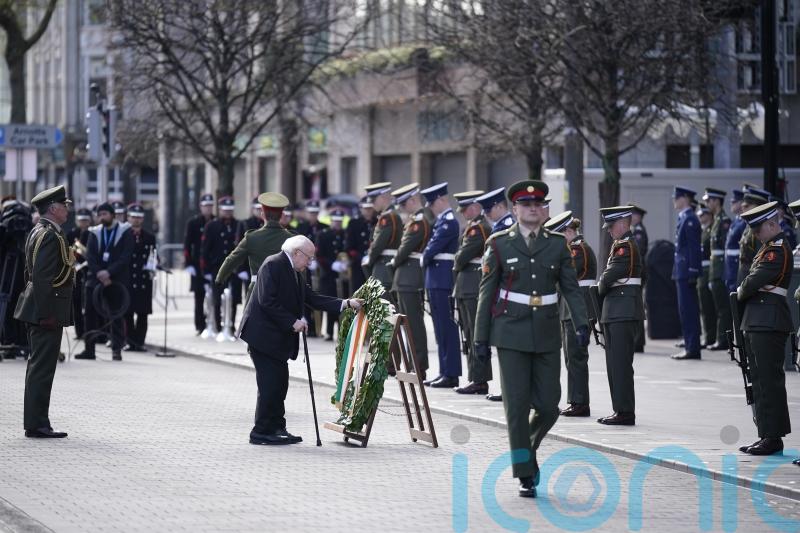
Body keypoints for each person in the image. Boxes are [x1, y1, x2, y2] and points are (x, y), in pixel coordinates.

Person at [474, 180, 589, 498]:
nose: (533, 209)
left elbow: (570, 287)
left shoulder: (556, 245)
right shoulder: (499, 244)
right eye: (526, 205)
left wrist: (582, 323)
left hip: (548, 333)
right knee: (516, 407)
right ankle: (525, 472)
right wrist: (479, 340)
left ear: (543, 210)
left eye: (538, 204)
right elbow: (487, 295)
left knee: (550, 406)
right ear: (515, 209)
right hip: (510, 333)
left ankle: (528, 451)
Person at [238, 235, 364, 445]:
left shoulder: (294, 271)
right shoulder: (273, 264)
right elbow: (266, 301)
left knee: (280, 384)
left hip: (275, 339)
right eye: (309, 258)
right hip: (263, 337)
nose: (310, 262)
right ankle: (261, 432)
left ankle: (277, 427)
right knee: (270, 385)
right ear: (296, 253)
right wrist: (292, 322)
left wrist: (346, 303)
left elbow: (312, 298)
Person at [13, 185, 74, 438]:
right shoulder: (49, 235)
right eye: (64, 205)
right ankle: (37, 424)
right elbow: (41, 277)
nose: (67, 209)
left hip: (38, 308)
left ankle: (37, 420)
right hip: (45, 311)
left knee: (38, 366)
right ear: (53, 208)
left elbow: (31, 272)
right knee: (42, 368)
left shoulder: (39, 231)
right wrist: (46, 312)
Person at [736, 201, 793, 456]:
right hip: (758, 319)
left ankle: (773, 436)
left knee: (769, 381)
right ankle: (766, 434)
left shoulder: (777, 251)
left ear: (772, 224)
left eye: (759, 230)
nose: (756, 235)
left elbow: (750, 283)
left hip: (768, 320)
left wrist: (744, 287)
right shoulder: (767, 249)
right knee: (759, 380)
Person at [545, 211, 596, 417]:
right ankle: (576, 400)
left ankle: (580, 402)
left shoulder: (578, 250)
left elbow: (565, 276)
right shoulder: (573, 249)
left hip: (577, 311)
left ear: (568, 231)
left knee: (576, 357)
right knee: (571, 357)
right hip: (569, 310)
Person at [596, 205, 643, 425]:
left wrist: (601, 285)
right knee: (614, 364)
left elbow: (608, 278)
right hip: (616, 312)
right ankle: (620, 409)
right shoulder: (620, 245)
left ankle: (625, 411)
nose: (609, 230)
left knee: (620, 365)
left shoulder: (626, 247)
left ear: (624, 223)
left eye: (612, 226)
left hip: (622, 312)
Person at [76, 202, 134, 361]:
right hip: (95, 279)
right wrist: (100, 273)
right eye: (99, 215)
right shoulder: (94, 233)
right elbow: (90, 256)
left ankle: (116, 349)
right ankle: (89, 350)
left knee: (115, 315)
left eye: (105, 214)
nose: (101, 217)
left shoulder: (125, 231)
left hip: (116, 279)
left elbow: (126, 256)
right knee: (90, 314)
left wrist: (109, 272)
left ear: (113, 215)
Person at [215, 193, 293, 304]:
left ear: (262, 214)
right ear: (281, 215)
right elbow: (301, 267)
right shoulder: (292, 239)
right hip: (283, 293)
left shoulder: (251, 238)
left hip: (257, 292)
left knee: (250, 321)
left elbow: (232, 259)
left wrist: (220, 279)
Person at [389, 184, 433, 377]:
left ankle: (419, 364)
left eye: (404, 204)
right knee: (408, 324)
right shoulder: (415, 220)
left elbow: (404, 250)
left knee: (414, 324)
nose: (402, 208)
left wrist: (393, 260)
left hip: (410, 277)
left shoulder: (420, 222)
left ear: (413, 200)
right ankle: (413, 363)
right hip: (405, 277)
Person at [420, 183, 461, 388]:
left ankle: (451, 373)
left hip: (443, 279)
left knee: (447, 328)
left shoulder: (449, 221)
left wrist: (424, 258)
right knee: (439, 329)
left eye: (433, 202)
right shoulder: (441, 221)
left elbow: (432, 249)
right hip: (436, 279)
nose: (431, 207)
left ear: (443, 200)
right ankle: (444, 370)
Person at [452, 190, 492, 396]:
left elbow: (461, 257)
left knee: (475, 333)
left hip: (472, 285)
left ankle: (480, 378)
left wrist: (457, 259)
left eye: (466, 209)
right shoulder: (472, 227)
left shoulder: (479, 229)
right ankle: (476, 377)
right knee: (468, 333)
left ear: (476, 208)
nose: (464, 213)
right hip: (465, 286)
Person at [202, 196, 243, 332]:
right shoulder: (212, 226)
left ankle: (230, 325)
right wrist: (206, 269)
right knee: (217, 297)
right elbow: (205, 248)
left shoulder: (238, 225)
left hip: (235, 268)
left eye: (230, 210)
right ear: (219, 210)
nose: (227, 213)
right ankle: (218, 325)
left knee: (234, 298)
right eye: (225, 210)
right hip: (217, 267)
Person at [671, 187, 702, 360]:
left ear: (685, 198)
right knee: (684, 310)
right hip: (681, 270)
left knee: (688, 310)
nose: (674, 200)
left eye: (676, 197)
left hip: (686, 271)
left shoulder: (690, 219)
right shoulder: (684, 218)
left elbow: (694, 248)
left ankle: (692, 347)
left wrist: (693, 271)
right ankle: (690, 344)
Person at [124, 204, 157, 352]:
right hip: (129, 278)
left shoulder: (149, 237)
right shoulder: (124, 235)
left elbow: (154, 255)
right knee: (128, 313)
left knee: (143, 313)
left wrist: (155, 263)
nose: (136, 220)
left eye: (138, 217)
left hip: (144, 279)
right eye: (133, 217)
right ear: (128, 218)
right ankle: (130, 342)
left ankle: (140, 342)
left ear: (142, 219)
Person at [363, 182, 403, 299]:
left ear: (383, 197)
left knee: (384, 311)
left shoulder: (388, 217)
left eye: (374, 200)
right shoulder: (388, 215)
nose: (372, 204)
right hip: (384, 266)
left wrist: (369, 258)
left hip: (383, 268)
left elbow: (379, 244)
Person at [184, 194, 215, 335]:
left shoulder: (216, 222)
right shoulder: (193, 223)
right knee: (199, 297)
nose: (208, 208)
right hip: (197, 266)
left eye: (210, 206)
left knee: (214, 296)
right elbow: (187, 244)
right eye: (205, 206)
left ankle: (214, 323)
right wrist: (188, 263)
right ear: (201, 207)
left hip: (212, 264)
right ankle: (200, 325)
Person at [704, 188, 732, 351]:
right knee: (718, 307)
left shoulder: (724, 221)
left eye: (709, 201)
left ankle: (723, 340)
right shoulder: (716, 220)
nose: (707, 204)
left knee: (723, 308)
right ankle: (720, 338)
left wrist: (722, 273)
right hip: (715, 268)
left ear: (716, 201)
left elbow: (725, 250)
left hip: (720, 268)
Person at [315, 209, 347, 341]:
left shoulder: (345, 234)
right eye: (335, 221)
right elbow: (319, 255)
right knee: (330, 302)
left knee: (344, 304)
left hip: (343, 275)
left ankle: (342, 331)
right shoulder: (323, 234)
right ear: (331, 220)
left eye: (340, 221)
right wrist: (331, 264)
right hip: (328, 274)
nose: (337, 224)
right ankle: (328, 331)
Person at [67, 208, 91, 341]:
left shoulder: (93, 233)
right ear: (76, 221)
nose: (83, 223)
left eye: (86, 220)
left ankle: (90, 331)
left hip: (88, 271)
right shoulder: (71, 234)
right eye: (81, 220)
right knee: (76, 303)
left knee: (89, 305)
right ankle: (79, 332)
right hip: (75, 272)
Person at [738, 187, 771, 284]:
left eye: (747, 206)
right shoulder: (749, 226)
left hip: (751, 279)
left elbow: (760, 260)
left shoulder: (760, 229)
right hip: (744, 276)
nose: (743, 208)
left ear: (758, 207)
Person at [345, 195, 376, 292]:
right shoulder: (354, 223)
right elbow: (349, 247)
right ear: (361, 209)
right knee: (359, 294)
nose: (368, 211)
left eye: (370, 208)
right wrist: (361, 257)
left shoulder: (378, 222)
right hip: (358, 265)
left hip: (374, 264)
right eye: (365, 208)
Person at [696, 202, 717, 348]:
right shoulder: (704, 230)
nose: (700, 216)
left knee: (710, 307)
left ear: (709, 215)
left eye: (702, 214)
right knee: (704, 307)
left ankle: (711, 337)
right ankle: (708, 336)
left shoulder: (711, 230)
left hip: (708, 270)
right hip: (701, 271)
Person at [630, 205, 648, 353]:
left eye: (633, 215)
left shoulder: (639, 232)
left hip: (638, 274)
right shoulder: (635, 230)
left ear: (638, 217)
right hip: (637, 273)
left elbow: (638, 252)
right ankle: (637, 341)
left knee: (636, 307)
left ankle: (638, 341)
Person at [724, 189, 745, 293]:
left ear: (741, 203)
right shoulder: (736, 221)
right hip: (730, 267)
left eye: (734, 202)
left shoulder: (743, 223)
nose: (731, 204)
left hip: (737, 267)